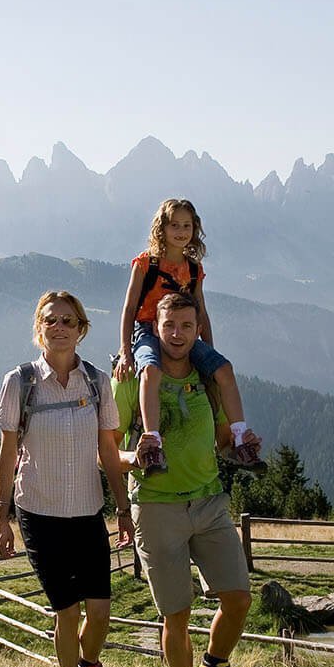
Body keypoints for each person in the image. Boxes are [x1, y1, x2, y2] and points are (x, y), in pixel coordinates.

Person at [115, 292, 260, 667]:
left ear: (199, 330)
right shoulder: (133, 378)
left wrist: (238, 443)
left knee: (238, 599)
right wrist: (133, 458)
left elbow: (219, 439)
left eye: (186, 327)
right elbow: (107, 450)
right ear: (155, 329)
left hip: (210, 500)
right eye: (169, 326)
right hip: (157, 507)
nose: (177, 335)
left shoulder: (208, 377)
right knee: (176, 612)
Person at [0, 291, 131, 667]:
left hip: (88, 512)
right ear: (40, 327)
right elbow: (7, 452)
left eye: (68, 321)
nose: (60, 327)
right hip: (40, 513)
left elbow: (108, 449)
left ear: (81, 328)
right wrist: (2, 518)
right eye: (51, 320)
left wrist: (123, 508)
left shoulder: (95, 382)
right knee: (67, 612)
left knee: (102, 611)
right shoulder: (20, 382)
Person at [113, 198, 264, 475]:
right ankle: (153, 441)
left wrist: (209, 351)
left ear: (194, 230)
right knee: (150, 371)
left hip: (185, 329)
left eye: (187, 225)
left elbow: (201, 312)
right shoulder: (145, 263)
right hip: (147, 328)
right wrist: (125, 350)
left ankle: (241, 437)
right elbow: (130, 308)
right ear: (162, 228)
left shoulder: (193, 269)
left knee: (224, 369)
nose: (181, 231)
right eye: (174, 225)